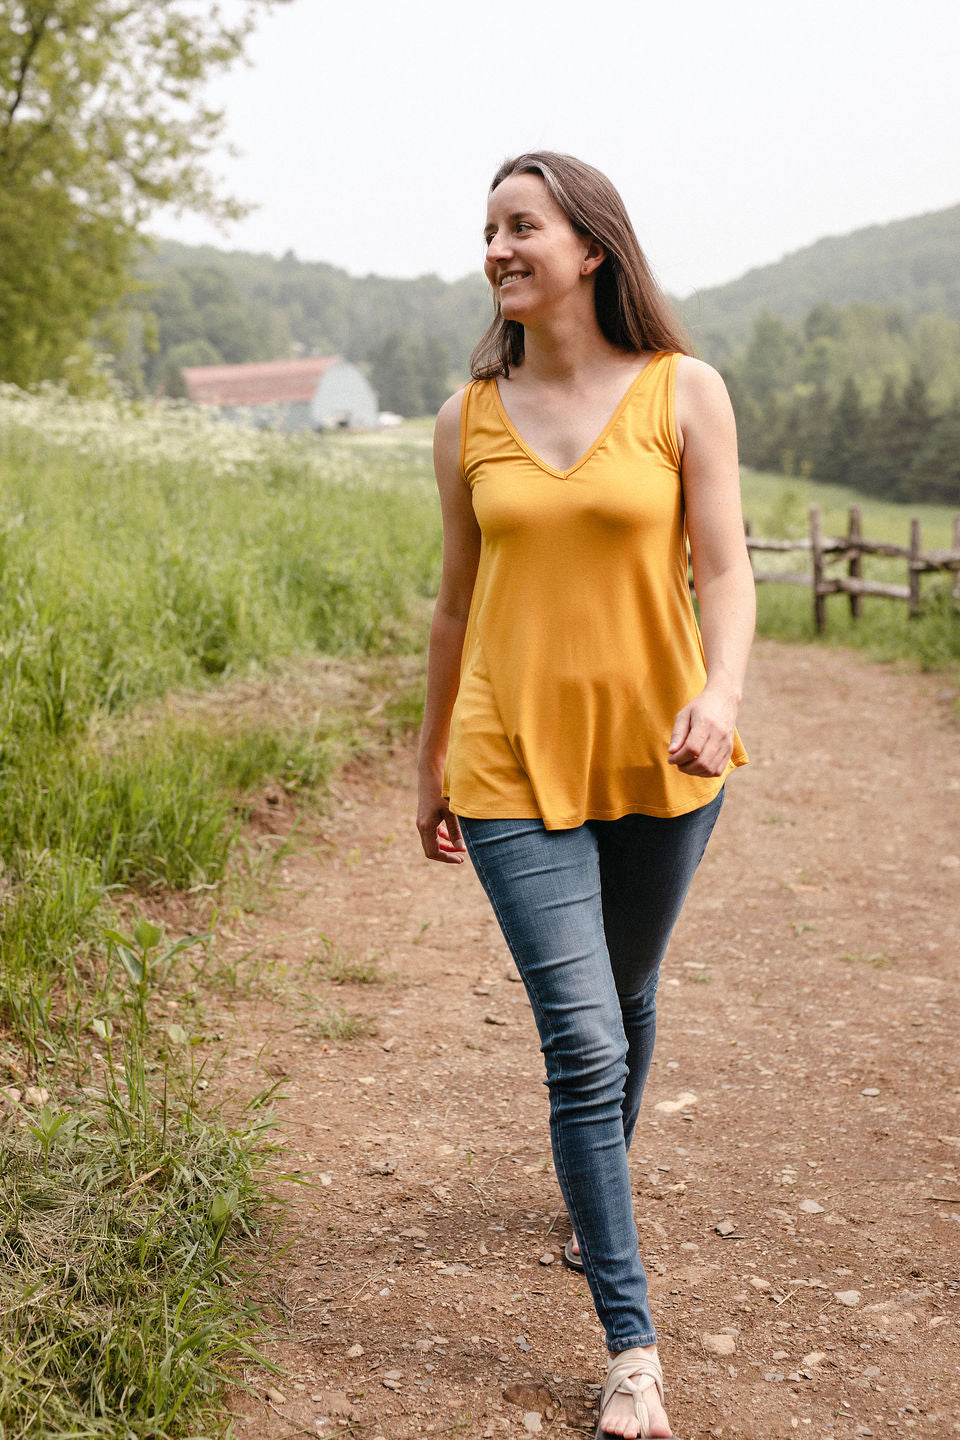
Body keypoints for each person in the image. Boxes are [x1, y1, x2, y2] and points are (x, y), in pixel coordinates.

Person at [415, 151, 755, 1439]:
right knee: (584, 1039)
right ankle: (633, 1348)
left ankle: (591, 1183)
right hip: (510, 759)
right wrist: (432, 759)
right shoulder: (468, 417)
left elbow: (725, 573)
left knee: (628, 992)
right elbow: (453, 607)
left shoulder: (683, 392)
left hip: (668, 753)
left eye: (523, 226)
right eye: (488, 230)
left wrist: (719, 697)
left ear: (591, 248)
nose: (498, 248)